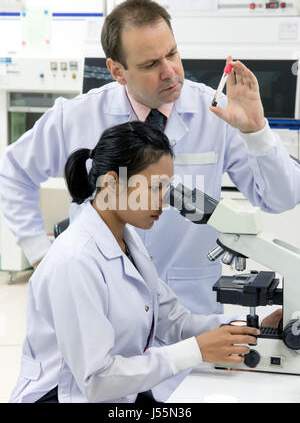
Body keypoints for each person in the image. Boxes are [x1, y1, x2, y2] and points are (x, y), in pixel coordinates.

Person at [0, 0, 298, 400]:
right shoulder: (77, 117)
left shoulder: (216, 111)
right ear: (117, 71)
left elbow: (280, 200)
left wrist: (257, 132)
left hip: (183, 311)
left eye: (172, 53)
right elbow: (10, 171)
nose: (170, 71)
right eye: (150, 64)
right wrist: (40, 253)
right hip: (102, 350)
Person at [10, 122, 261, 403]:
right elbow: (96, 380)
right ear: (111, 182)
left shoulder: (128, 242)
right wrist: (196, 350)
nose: (164, 203)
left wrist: (251, 327)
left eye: (166, 188)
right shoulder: (75, 261)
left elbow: (174, 322)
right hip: (66, 397)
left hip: (121, 393)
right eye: (155, 188)